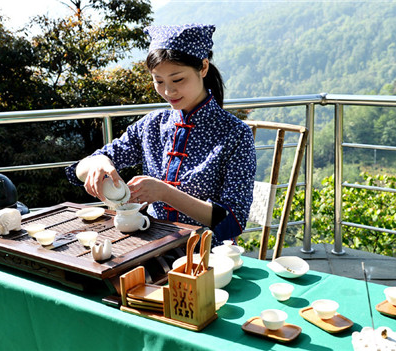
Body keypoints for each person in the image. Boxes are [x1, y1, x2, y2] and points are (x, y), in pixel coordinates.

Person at [65, 23, 256, 245]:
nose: (168, 91)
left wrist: (165, 193)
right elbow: (78, 170)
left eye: (178, 80)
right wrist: (98, 162)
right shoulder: (152, 125)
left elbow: (233, 221)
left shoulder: (235, 134)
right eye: (158, 81)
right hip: (151, 248)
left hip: (205, 257)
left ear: (203, 68)